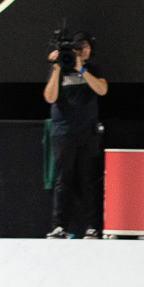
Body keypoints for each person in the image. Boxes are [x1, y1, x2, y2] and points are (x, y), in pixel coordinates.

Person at [43, 32, 108, 239]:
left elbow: (102, 90)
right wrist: (56, 67)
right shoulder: (60, 69)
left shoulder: (93, 69)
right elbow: (49, 97)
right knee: (63, 180)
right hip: (64, 132)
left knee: (89, 179)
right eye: (77, 47)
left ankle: (92, 226)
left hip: (88, 133)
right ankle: (59, 226)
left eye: (85, 46)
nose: (81, 50)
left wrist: (81, 69)